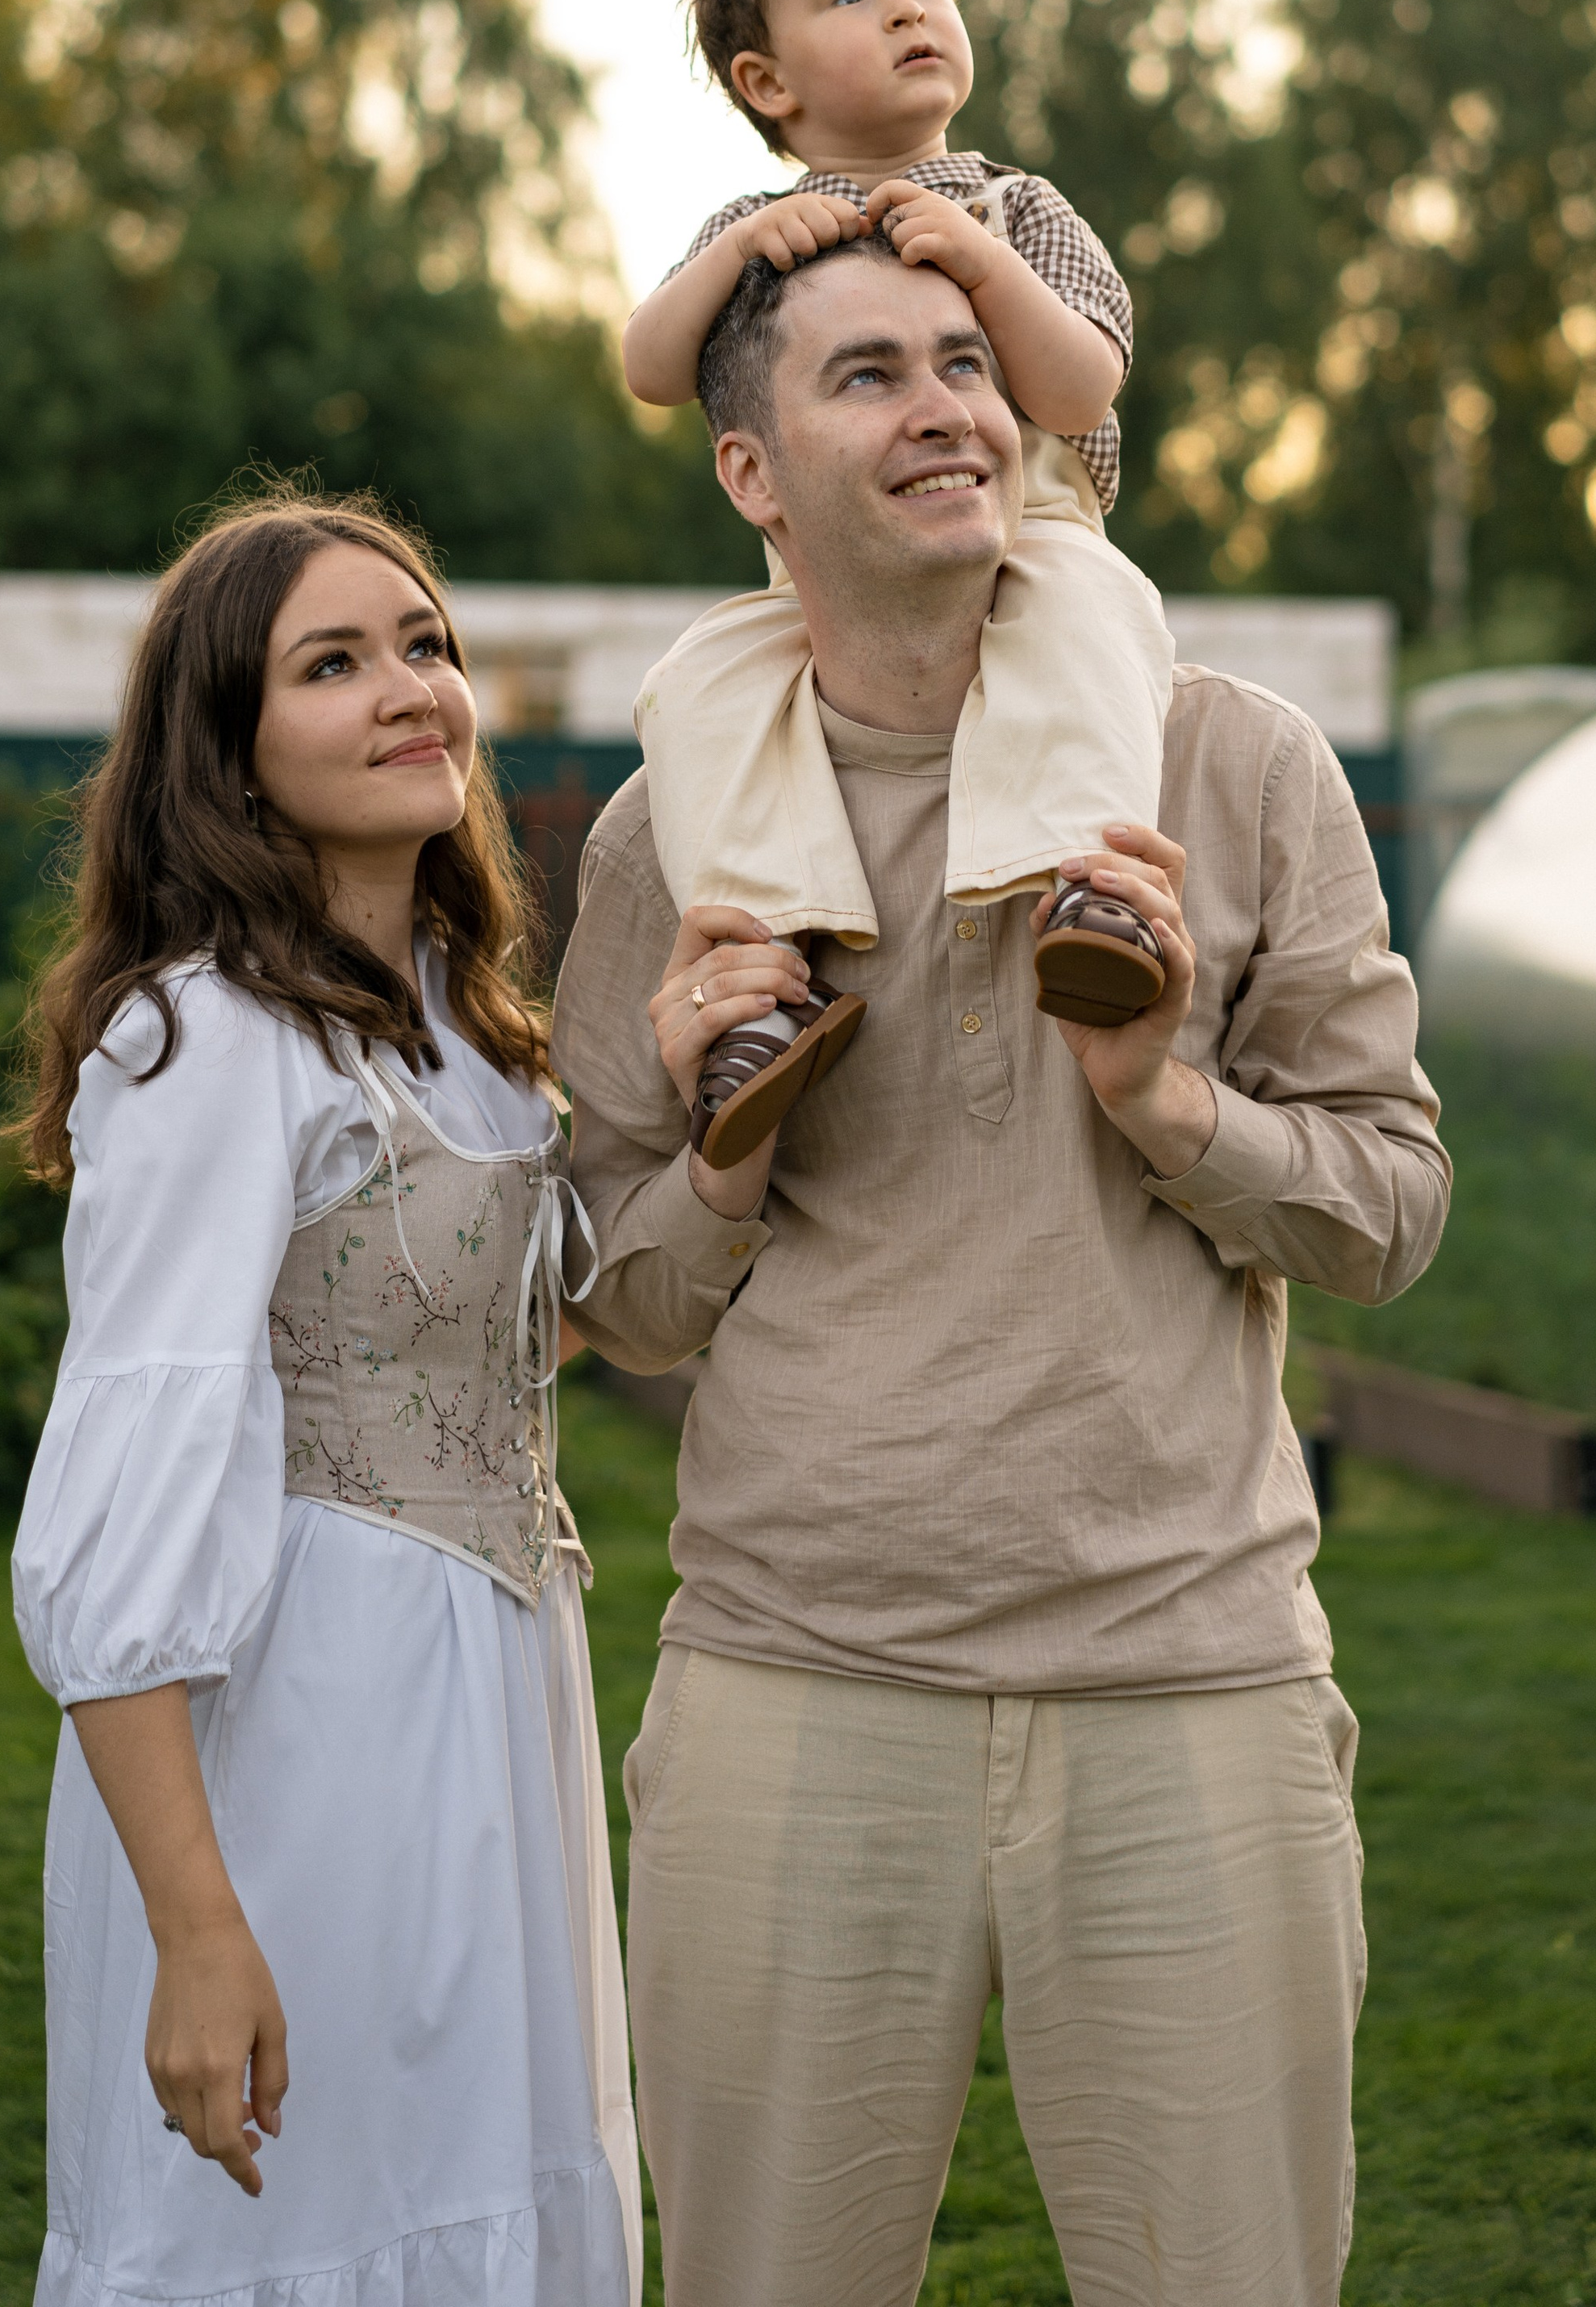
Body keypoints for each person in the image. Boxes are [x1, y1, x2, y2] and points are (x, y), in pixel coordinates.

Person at [554, 240, 1451, 2307]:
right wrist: (722, 1142)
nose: (949, 406)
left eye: (969, 364)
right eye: (869, 377)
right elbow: (618, 1307)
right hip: (795, 1685)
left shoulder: (1230, 767)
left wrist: (1162, 1101)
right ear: (751, 472)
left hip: (1187, 1685)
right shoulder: (658, 841)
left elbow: (1389, 1210)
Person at [10, 493, 639, 2307]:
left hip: (495, 1688)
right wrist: (193, 1930)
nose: (408, 689)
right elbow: (120, 1530)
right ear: (230, 749)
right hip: (309, 1716)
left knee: (484, 2184)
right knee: (321, 2217)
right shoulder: (202, 1043)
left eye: (425, 645)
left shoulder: (465, 1023)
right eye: (333, 663)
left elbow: (478, 1341)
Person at [618, 0, 1178, 1168]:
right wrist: (724, 264)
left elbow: (1085, 381)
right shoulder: (757, 229)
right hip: (829, 593)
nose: (910, 6)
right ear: (770, 83)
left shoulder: (1016, 208)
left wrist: (976, 263)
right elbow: (650, 369)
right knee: (699, 689)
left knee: (1097, 626)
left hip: (1026, 543)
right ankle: (765, 979)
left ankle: (1093, 899)